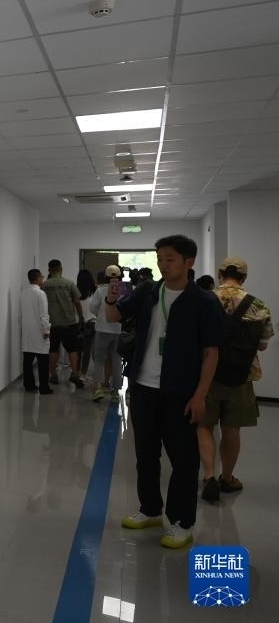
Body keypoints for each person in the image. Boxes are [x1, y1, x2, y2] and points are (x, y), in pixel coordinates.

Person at [105, 235, 223, 549]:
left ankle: (183, 522)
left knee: (183, 459)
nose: (163, 265)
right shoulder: (148, 292)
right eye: (160, 259)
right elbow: (113, 317)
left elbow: (212, 352)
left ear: (188, 262)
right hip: (143, 387)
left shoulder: (203, 301)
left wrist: (200, 395)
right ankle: (150, 509)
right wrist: (111, 298)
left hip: (180, 391)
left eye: (170, 259)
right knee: (146, 454)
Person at [197, 257, 274, 502]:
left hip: (206, 375)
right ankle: (228, 478)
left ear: (220, 274)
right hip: (242, 376)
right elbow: (262, 345)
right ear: (244, 278)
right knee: (232, 429)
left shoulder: (204, 300)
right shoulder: (258, 305)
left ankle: (209, 476)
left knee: (204, 425)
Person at [42, 260, 85, 388]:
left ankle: (53, 375)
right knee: (72, 349)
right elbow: (77, 302)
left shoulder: (44, 285)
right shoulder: (69, 283)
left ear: (49, 270)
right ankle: (74, 373)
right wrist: (81, 317)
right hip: (69, 322)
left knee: (53, 349)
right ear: (61, 269)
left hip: (52, 323)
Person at [88, 266, 123, 401]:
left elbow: (92, 307)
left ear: (106, 277)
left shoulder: (100, 290)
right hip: (118, 330)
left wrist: (101, 315)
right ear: (120, 276)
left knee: (99, 360)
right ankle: (115, 392)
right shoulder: (124, 289)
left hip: (102, 329)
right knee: (116, 360)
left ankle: (98, 388)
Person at [21, 268, 53, 394]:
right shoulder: (40, 294)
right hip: (40, 332)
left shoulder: (23, 293)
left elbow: (20, 315)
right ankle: (44, 387)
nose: (43, 278)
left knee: (27, 361)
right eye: (42, 277)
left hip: (27, 332)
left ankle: (28, 385)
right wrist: (47, 330)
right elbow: (44, 314)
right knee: (43, 361)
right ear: (37, 278)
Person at [77, 269, 97, 380]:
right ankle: (86, 374)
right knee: (91, 352)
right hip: (93, 323)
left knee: (80, 350)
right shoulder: (95, 291)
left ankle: (78, 373)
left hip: (80, 324)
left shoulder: (76, 291)